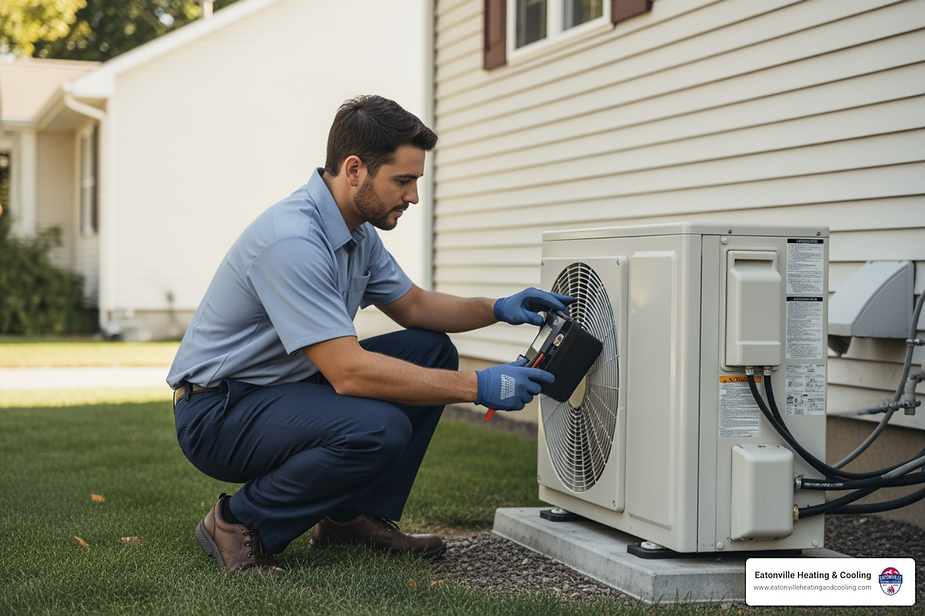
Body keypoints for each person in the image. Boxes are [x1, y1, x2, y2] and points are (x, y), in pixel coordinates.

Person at [167, 95, 571, 575]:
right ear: (354, 169)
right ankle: (237, 523)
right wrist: (480, 386)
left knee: (431, 349)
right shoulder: (293, 240)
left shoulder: (357, 231)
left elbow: (415, 307)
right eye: (403, 180)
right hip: (219, 411)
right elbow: (349, 372)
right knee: (379, 430)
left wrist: (500, 308)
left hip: (280, 389)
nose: (414, 196)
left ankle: (348, 518)